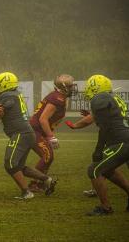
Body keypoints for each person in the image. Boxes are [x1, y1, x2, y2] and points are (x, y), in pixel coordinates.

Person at [0, 72, 57, 199]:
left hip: (21, 133)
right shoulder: (14, 94)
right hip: (27, 133)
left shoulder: (6, 96)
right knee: (19, 166)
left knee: (10, 163)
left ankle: (26, 192)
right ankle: (47, 180)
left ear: (4, 84)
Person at [83, 74, 129, 216]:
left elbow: (105, 127)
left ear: (95, 87)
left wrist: (98, 149)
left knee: (94, 169)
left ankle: (105, 207)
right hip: (124, 138)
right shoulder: (114, 97)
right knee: (108, 169)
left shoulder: (100, 98)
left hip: (121, 141)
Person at [28, 74, 77, 191]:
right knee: (47, 156)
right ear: (63, 87)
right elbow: (43, 119)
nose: (73, 88)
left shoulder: (60, 96)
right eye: (70, 86)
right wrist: (51, 136)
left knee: (48, 157)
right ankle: (34, 184)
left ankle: (39, 183)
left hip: (38, 131)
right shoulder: (58, 98)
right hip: (35, 131)